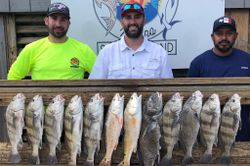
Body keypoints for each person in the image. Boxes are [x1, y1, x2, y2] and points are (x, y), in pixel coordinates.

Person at [188, 16, 250, 141]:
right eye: (219, 33)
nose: (224, 38)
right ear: (212, 37)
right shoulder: (199, 63)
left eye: (229, 33)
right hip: (207, 137)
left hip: (242, 136)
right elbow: (189, 102)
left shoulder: (247, 60)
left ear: (236, 36)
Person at [7, 2, 96, 80]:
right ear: (46, 21)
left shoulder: (84, 50)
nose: (58, 24)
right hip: (41, 99)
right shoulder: (31, 49)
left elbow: (102, 77)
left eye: (63, 19)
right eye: (54, 18)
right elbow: (13, 77)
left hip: (73, 99)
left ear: (69, 23)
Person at [89, 2, 173, 79]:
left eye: (137, 17)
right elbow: (94, 88)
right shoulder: (107, 52)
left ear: (144, 21)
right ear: (122, 22)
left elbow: (169, 89)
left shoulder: (160, 53)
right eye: (128, 17)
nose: (132, 22)